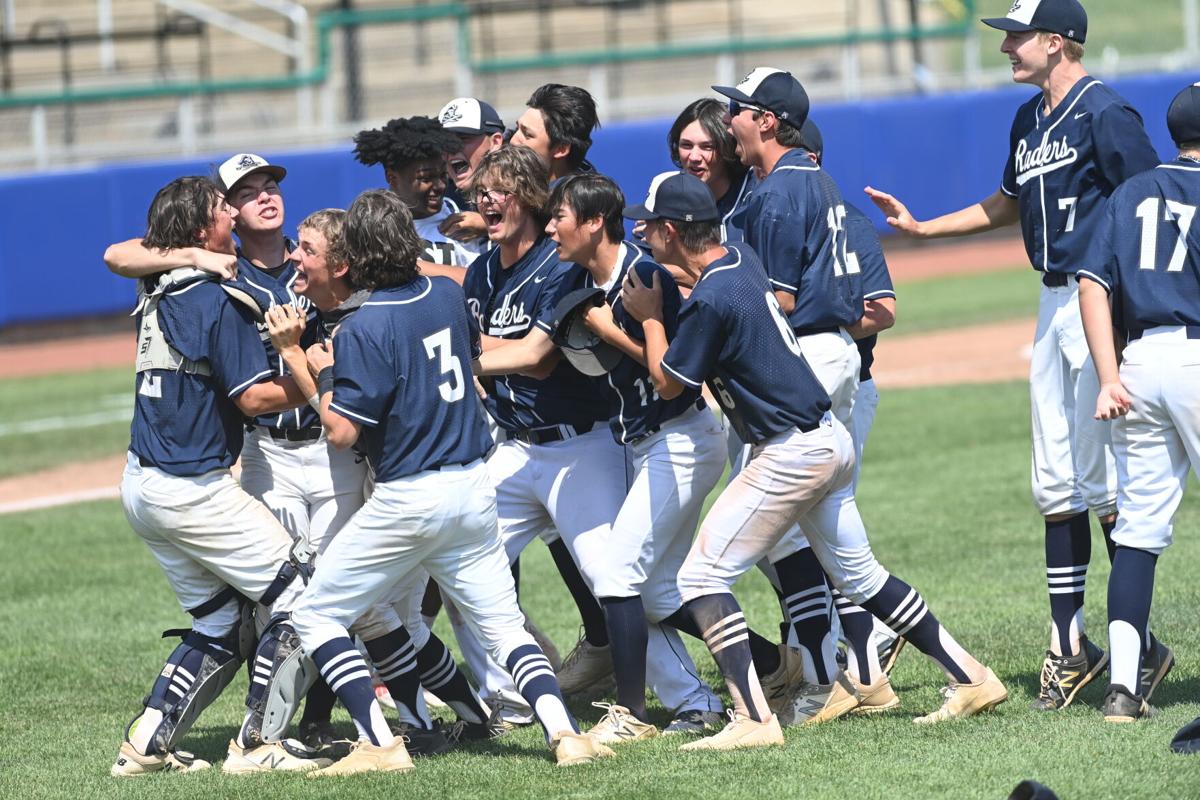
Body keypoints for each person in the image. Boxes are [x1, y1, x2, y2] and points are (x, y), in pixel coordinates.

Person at [621, 170, 1007, 750]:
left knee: (701, 576)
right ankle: (973, 677)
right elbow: (702, 278)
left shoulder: (710, 297)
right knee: (860, 577)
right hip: (829, 438)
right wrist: (674, 277)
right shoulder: (741, 258)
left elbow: (671, 383)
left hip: (791, 451)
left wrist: (652, 315)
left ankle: (753, 718)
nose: (643, 234)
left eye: (649, 227)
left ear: (674, 231)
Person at [864, 0, 1169, 711]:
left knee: (1107, 485)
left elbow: (1146, 203)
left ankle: (1135, 643)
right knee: (1055, 480)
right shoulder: (1029, 120)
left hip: (1101, 303)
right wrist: (922, 228)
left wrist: (1131, 310)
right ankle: (1073, 645)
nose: (1007, 47)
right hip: (1051, 302)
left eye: (1017, 36)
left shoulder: (1106, 113)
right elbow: (1005, 204)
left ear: (1057, 42)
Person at [288, 189, 611, 775]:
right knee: (504, 627)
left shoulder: (363, 326)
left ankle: (380, 744)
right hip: (471, 487)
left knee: (316, 614)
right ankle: (565, 733)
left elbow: (341, 431)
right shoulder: (447, 291)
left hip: (408, 494)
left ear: (357, 255)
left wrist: (318, 366)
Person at [466, 146, 723, 734]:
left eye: (499, 190)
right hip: (512, 448)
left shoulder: (562, 266)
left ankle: (695, 700)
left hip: (583, 448)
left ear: (530, 199)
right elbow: (492, 350)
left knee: (616, 579)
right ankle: (505, 701)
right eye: (480, 191)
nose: (485, 200)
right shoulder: (482, 270)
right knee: (467, 569)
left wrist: (458, 360)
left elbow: (533, 359)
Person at [111, 176, 328, 776]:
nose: (232, 214)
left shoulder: (156, 284)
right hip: (192, 489)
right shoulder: (217, 300)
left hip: (142, 483)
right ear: (200, 230)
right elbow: (255, 400)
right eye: (221, 209)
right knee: (304, 597)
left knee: (220, 621)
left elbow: (123, 255)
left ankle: (145, 746)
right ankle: (258, 745)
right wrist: (315, 374)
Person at [268, 210, 493, 754]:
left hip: (396, 484)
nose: (293, 256)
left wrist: (296, 356)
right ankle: (463, 718)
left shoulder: (365, 319)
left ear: (343, 265)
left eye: (307, 248)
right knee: (397, 617)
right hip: (409, 480)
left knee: (363, 610)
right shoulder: (337, 308)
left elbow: (340, 422)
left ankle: (408, 729)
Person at [543, 173, 728, 742]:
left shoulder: (643, 275)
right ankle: (748, 675)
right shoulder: (579, 278)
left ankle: (631, 715)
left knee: (618, 576)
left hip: (682, 438)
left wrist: (608, 332)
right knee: (659, 590)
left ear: (595, 222)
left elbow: (673, 377)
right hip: (652, 443)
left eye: (561, 216)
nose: (551, 226)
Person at [711, 67, 867, 724]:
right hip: (831, 354)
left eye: (739, 111)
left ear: (768, 120)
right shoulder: (815, 179)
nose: (730, 123)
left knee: (772, 527)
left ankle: (826, 670)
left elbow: (776, 301)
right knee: (828, 528)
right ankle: (869, 663)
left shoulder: (777, 194)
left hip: (804, 356)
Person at [1077, 82, 1200, 721]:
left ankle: (1123, 687)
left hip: (1140, 364)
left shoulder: (1131, 192)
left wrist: (1109, 376)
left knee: (1139, 532)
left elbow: (1091, 286)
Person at [353, 116, 483, 271]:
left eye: (443, 174)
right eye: (425, 178)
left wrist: (487, 225)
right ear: (392, 178)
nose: (440, 185)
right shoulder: (375, 232)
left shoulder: (469, 222)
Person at [668, 97, 754, 242]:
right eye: (686, 145)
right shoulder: (669, 199)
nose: (694, 157)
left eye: (707, 147)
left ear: (728, 148)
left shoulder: (754, 197)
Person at [437, 96, 507, 243]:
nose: (451, 148)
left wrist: (487, 223)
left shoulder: (523, 185)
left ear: (495, 142)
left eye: (463, 138)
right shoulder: (437, 198)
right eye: (444, 142)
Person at [510, 83, 600, 183]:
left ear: (561, 149)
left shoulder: (589, 197)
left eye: (527, 135)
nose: (513, 140)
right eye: (517, 128)